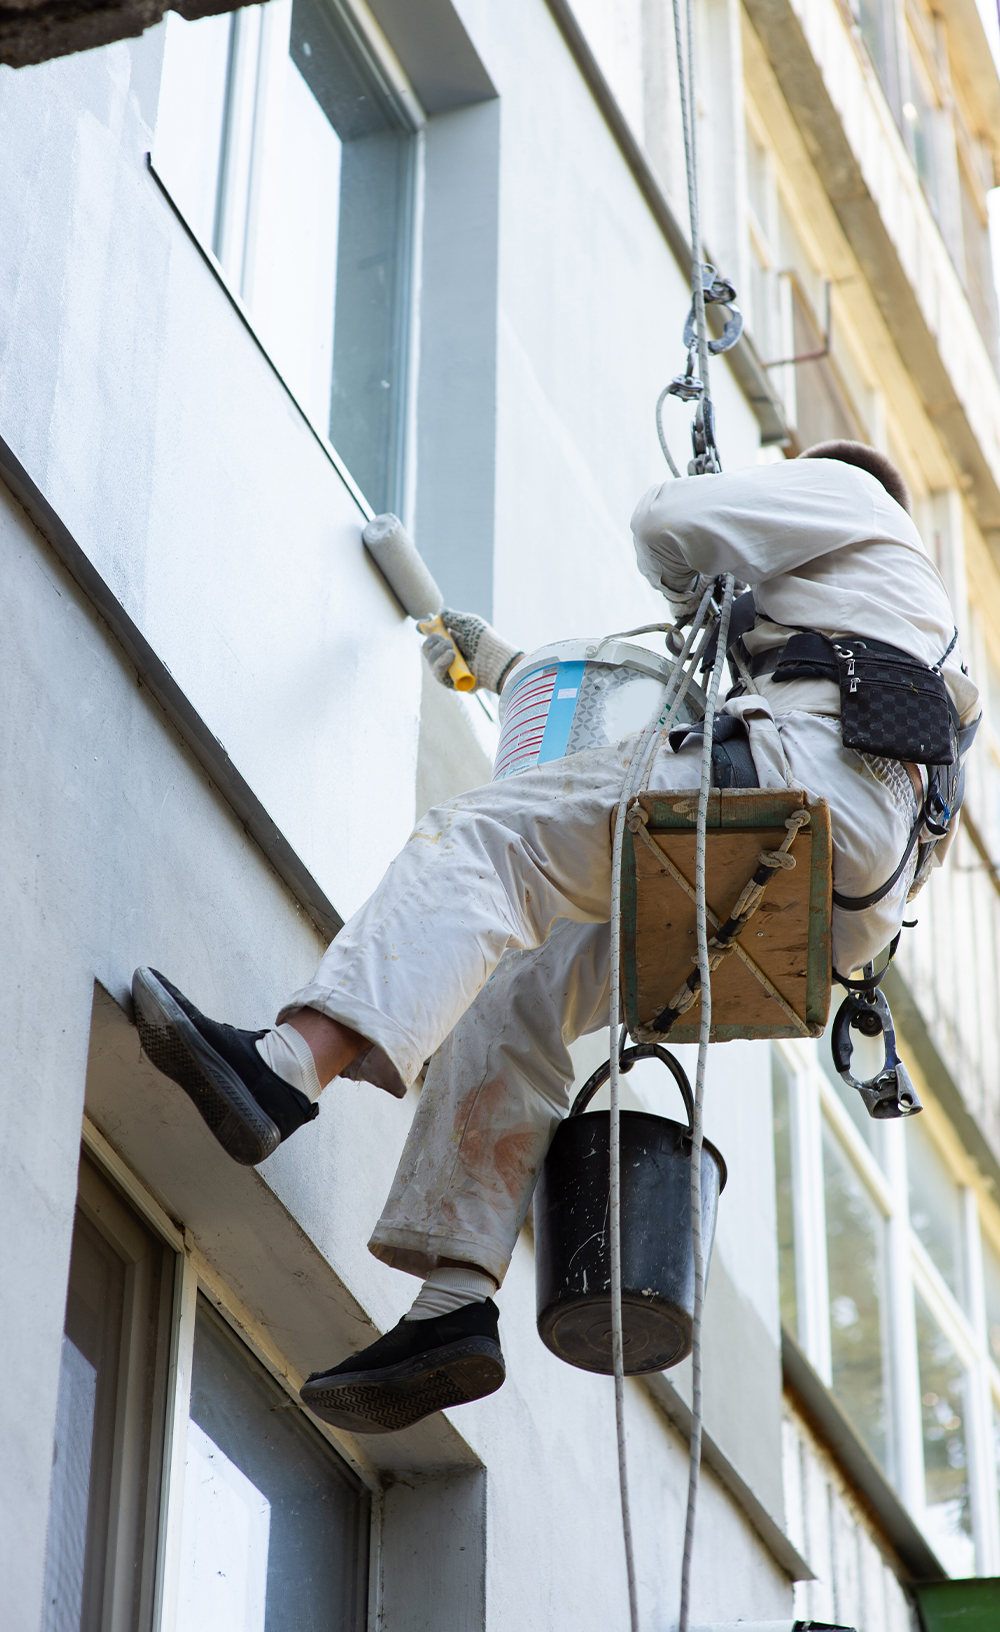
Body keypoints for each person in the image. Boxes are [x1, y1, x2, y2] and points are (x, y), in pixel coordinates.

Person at [132, 440, 979, 1434]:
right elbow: (651, 726)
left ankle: (283, 1069)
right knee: (517, 979)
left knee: (486, 834)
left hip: (800, 792)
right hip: (830, 903)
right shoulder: (889, 627)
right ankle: (454, 1301)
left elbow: (665, 518)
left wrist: (699, 562)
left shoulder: (850, 498)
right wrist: (505, 667)